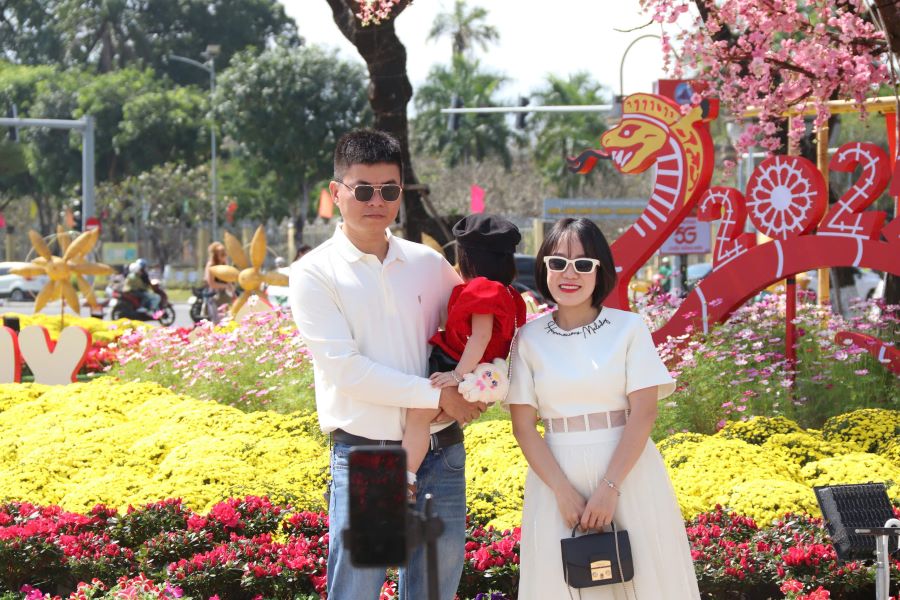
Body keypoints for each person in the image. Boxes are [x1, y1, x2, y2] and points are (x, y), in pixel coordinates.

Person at [289, 129, 484, 600]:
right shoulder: (314, 273)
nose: (377, 201)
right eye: (363, 190)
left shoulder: (428, 264)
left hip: (441, 452)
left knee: (433, 592)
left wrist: (480, 385)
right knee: (358, 591)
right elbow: (346, 370)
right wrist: (438, 394)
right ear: (337, 192)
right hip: (370, 456)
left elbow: (473, 329)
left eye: (389, 190)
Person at [504, 217, 700, 599]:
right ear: (544, 268)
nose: (569, 273)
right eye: (558, 262)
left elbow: (644, 413)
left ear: (600, 270)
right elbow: (523, 427)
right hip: (556, 480)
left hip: (629, 475)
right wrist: (562, 492)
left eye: (582, 263)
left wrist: (610, 488)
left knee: (644, 582)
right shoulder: (527, 339)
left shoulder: (629, 329)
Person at [403, 213, 527, 499]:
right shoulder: (509, 293)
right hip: (483, 372)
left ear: (467, 259)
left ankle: (405, 479)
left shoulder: (483, 289)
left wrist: (457, 375)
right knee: (434, 419)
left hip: (459, 364)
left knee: (418, 415)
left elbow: (480, 336)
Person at [204, 242, 234, 324]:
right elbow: (211, 283)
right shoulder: (211, 265)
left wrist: (231, 289)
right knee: (217, 321)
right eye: (222, 254)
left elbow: (228, 280)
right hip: (214, 296)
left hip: (225, 296)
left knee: (228, 319)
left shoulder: (224, 264)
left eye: (225, 253)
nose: (225, 255)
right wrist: (225, 286)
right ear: (215, 255)